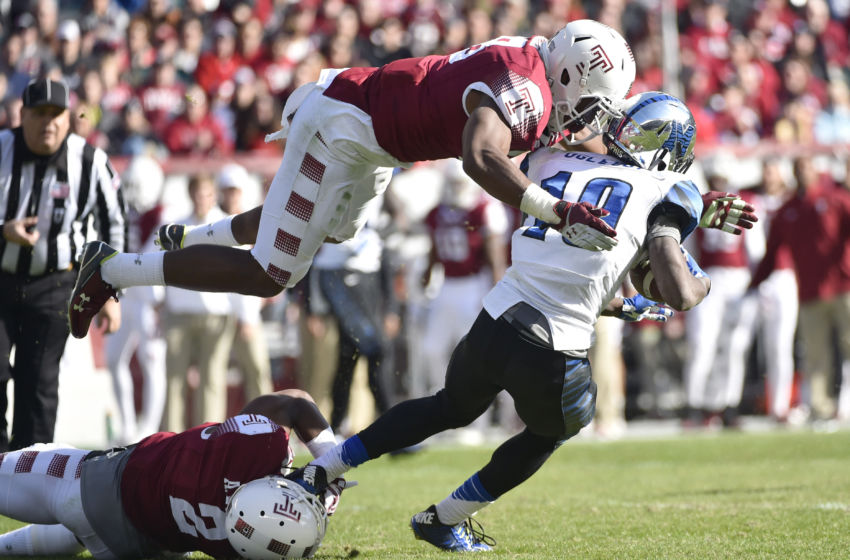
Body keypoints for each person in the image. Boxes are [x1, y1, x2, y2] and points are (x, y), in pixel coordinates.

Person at [285, 92, 748, 552]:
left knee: (448, 406)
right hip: (553, 345)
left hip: (495, 319)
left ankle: (322, 469)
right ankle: (442, 519)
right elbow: (682, 294)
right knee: (555, 429)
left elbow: (566, 258)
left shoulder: (551, 161)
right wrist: (683, 249)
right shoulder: (668, 190)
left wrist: (616, 301)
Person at [67, 19, 637, 339]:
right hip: (345, 127)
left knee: (326, 231)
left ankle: (195, 238)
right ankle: (113, 268)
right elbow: (480, 155)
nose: (587, 118)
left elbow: (558, 152)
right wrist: (556, 213)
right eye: (590, 102)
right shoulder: (528, 87)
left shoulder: (535, 60)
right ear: (569, 72)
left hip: (376, 143)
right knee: (273, 274)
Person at [0, 389, 346, 559]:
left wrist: (332, 468)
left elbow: (296, 402)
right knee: (82, 532)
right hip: (139, 547)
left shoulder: (258, 446)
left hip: (92, 488)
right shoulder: (237, 547)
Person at [0, 78, 126, 451]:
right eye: (39, 114)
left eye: (56, 114)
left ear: (69, 119)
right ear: (22, 116)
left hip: (55, 283)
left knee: (38, 381)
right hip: (0, 280)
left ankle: (27, 470)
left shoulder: (90, 162)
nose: (48, 123)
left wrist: (111, 293)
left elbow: (114, 225)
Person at [750, 154, 850, 423]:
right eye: (798, 168)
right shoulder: (788, 210)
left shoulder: (837, 199)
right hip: (809, 289)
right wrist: (753, 284)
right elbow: (772, 253)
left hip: (843, 286)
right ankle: (820, 408)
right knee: (816, 353)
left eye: (806, 166)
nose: (803, 172)